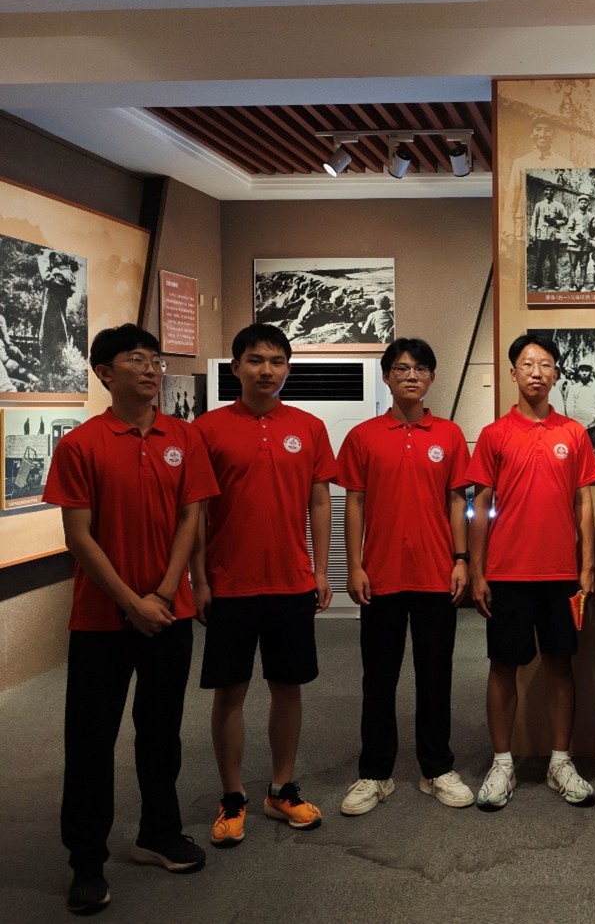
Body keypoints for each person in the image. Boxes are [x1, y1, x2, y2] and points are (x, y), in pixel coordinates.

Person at [43, 324, 219, 915]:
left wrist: (165, 593)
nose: (150, 368)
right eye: (135, 359)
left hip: (169, 612)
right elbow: (79, 537)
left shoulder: (184, 437)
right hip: (101, 618)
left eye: (155, 359)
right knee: (90, 740)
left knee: (161, 730)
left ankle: (158, 833)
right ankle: (86, 861)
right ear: (104, 372)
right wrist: (130, 601)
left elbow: (192, 518)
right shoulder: (81, 444)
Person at [191, 323, 338, 848]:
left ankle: (281, 787)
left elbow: (319, 500)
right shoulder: (207, 429)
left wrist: (320, 571)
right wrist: (198, 579)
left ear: (288, 369)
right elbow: (196, 513)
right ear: (236, 367)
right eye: (255, 360)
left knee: (287, 687)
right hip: (228, 584)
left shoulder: (309, 427)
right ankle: (233, 795)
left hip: (290, 582)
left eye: (276, 361)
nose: (266, 370)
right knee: (230, 691)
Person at [337, 338, 477, 816]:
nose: (411, 376)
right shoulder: (363, 436)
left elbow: (457, 501)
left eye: (420, 369)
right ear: (387, 377)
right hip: (381, 575)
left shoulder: (450, 435)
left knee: (435, 675)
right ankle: (376, 773)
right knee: (378, 677)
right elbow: (354, 502)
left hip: (437, 574)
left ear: (432, 377)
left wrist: (461, 559)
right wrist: (354, 565)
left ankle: (436, 768)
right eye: (401, 368)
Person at [465, 333, 595, 811]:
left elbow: (584, 502)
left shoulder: (574, 433)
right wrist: (477, 570)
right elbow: (480, 506)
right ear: (513, 373)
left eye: (545, 364)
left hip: (561, 573)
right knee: (503, 666)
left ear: (556, 373)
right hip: (507, 573)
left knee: (562, 665)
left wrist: (587, 565)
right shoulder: (494, 434)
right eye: (527, 364)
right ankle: (502, 763)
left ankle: (560, 762)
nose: (536, 372)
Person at [530, 186, 568, 290]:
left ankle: (553, 282)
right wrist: (533, 234)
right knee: (539, 260)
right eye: (547, 190)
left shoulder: (559, 206)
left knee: (553, 261)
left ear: (554, 192)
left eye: (551, 190)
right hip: (541, 236)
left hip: (553, 237)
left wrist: (555, 222)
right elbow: (534, 220)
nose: (549, 192)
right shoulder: (539, 205)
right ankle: (537, 281)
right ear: (544, 192)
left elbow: (565, 219)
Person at [562, 194, 595, 291]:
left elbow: (593, 232)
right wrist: (574, 237)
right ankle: (573, 285)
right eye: (581, 202)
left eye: (585, 202)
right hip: (574, 245)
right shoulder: (573, 216)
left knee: (584, 265)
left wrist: (590, 239)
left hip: (585, 245)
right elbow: (569, 230)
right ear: (578, 204)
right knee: (573, 264)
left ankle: (582, 285)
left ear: (588, 204)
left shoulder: (591, 216)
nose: (583, 204)